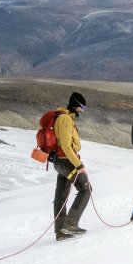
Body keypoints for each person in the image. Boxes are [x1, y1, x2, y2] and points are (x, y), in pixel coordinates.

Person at [53, 92, 91, 241]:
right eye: (81, 107)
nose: (82, 110)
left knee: (61, 195)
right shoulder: (65, 119)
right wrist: (79, 165)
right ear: (75, 106)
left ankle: (61, 232)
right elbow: (67, 147)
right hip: (67, 162)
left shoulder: (63, 117)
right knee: (86, 189)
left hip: (61, 162)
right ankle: (70, 224)